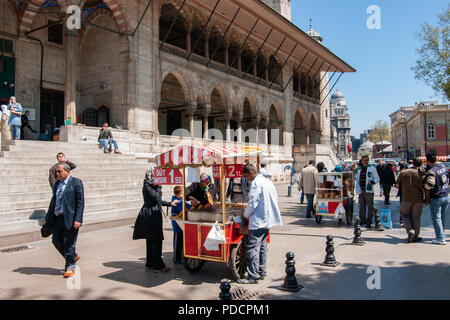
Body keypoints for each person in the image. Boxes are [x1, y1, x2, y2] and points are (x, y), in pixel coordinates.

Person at [237, 164, 282, 284]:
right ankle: (262, 271)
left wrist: (245, 216)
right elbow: (275, 199)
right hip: (267, 221)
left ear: (251, 173)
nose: (246, 179)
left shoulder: (256, 183)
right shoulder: (268, 182)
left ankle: (252, 276)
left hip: (258, 221)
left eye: (246, 176)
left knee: (252, 248)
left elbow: (253, 203)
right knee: (262, 247)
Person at [43, 163, 84, 278]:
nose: (57, 174)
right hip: (57, 218)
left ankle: (70, 266)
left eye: (59, 171)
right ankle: (72, 256)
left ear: (67, 171)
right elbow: (54, 200)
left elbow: (80, 202)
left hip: (70, 219)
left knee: (69, 243)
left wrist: (78, 219)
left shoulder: (76, 183)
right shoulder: (57, 184)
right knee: (56, 241)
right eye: (57, 172)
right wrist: (48, 217)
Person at [133, 169, 177, 271]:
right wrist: (159, 186)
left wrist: (170, 203)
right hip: (151, 214)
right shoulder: (147, 185)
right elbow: (156, 197)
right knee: (155, 239)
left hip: (154, 213)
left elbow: (158, 201)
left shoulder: (151, 185)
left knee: (152, 239)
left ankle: (150, 262)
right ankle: (157, 264)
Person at [396, 158, 425, 243]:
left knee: (405, 215)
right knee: (416, 217)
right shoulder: (422, 173)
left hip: (406, 199)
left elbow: (397, 184)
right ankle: (416, 235)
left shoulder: (404, 172)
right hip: (418, 199)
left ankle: (410, 231)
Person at [424, 152, 449, 245]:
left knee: (436, 218)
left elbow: (430, 184)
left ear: (428, 161)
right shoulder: (442, 166)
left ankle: (440, 238)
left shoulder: (432, 171)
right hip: (446, 195)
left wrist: (425, 188)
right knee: (442, 217)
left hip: (437, 197)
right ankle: (441, 234)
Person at [356, 155, 380, 228]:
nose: (365, 161)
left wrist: (372, 182)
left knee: (370, 207)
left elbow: (377, 178)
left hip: (369, 191)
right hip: (361, 190)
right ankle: (363, 221)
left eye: (367, 160)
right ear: (362, 161)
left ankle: (369, 222)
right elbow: (357, 179)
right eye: (364, 160)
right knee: (362, 206)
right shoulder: (359, 169)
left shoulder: (372, 168)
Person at [171, 186, 191, 264]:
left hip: (181, 224)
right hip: (177, 224)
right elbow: (187, 206)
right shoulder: (176, 201)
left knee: (181, 241)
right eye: (181, 194)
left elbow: (188, 206)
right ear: (176, 194)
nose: (182, 195)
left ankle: (180, 256)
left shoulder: (181, 200)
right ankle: (176, 258)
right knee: (177, 242)